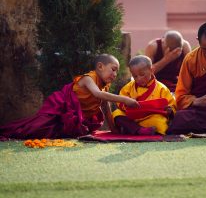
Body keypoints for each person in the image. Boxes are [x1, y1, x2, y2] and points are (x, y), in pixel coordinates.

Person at [0, 54, 139, 140]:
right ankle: (5, 130)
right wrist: (125, 100)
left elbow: (105, 105)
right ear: (100, 66)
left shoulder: (104, 85)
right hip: (60, 110)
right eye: (113, 69)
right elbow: (98, 94)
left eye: (117, 72)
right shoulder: (88, 78)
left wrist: (114, 130)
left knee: (49, 134)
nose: (115, 75)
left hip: (72, 118)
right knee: (32, 128)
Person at [112, 55, 176, 135]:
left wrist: (170, 110)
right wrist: (128, 105)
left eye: (142, 75)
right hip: (132, 118)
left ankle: (133, 130)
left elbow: (171, 104)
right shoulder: (128, 87)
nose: (139, 79)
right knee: (117, 114)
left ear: (152, 70)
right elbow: (120, 101)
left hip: (150, 118)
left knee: (159, 122)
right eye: (135, 76)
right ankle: (139, 130)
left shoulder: (161, 88)